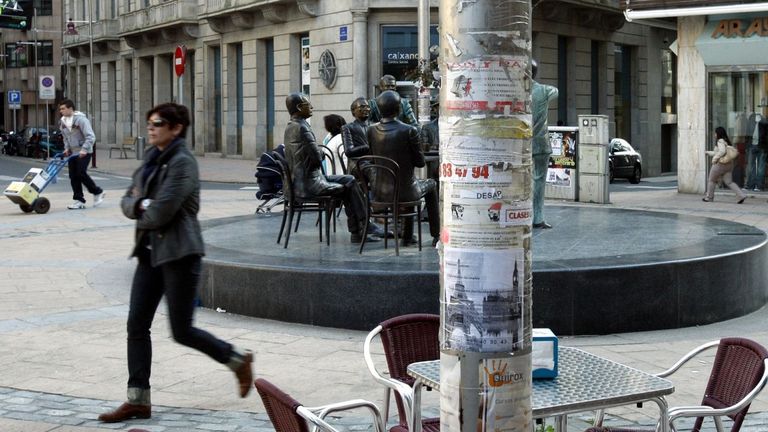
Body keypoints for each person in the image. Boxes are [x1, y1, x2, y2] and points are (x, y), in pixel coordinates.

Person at [103, 103, 254, 424]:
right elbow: (126, 201)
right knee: (136, 325)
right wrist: (141, 202)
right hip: (148, 255)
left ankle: (237, 359)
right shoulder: (150, 159)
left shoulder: (183, 163)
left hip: (180, 255)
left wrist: (142, 203)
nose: (151, 128)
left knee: (182, 330)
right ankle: (138, 400)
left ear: (176, 128)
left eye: (158, 123)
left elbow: (161, 212)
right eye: (149, 122)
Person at [283, 92, 379, 243]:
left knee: (350, 180)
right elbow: (316, 159)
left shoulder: (290, 127)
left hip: (299, 182)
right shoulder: (303, 128)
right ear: (299, 108)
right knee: (349, 185)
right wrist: (319, 153)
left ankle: (361, 228)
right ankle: (362, 227)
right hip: (310, 184)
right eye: (308, 105)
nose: (312, 107)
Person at [367, 90, 440, 247]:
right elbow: (420, 163)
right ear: (399, 108)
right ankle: (436, 234)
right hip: (406, 191)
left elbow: (372, 159)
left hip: (379, 192)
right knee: (431, 184)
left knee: (408, 182)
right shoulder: (409, 130)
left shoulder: (371, 130)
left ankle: (408, 235)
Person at [59, 99, 105, 209]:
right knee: (73, 176)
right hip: (72, 153)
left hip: (84, 151)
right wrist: (66, 148)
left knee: (81, 173)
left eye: (63, 108)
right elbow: (65, 137)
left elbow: (90, 136)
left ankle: (97, 192)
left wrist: (84, 149)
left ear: (70, 108)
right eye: (60, 109)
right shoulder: (63, 121)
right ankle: (79, 200)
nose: (61, 111)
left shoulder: (81, 120)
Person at [530, 60, 559, 229]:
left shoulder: (517, 92)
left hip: (521, 144)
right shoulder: (544, 90)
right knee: (539, 180)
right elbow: (556, 91)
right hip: (540, 142)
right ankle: (538, 217)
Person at [703, 126, 747, 204]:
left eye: (715, 133)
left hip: (720, 164)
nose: (714, 134)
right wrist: (708, 153)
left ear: (718, 133)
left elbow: (722, 152)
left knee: (711, 180)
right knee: (729, 182)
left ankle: (709, 197)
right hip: (729, 165)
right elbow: (719, 152)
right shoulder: (726, 141)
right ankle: (741, 195)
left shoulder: (720, 141)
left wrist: (714, 159)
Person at [341, 97, 372, 177]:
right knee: (374, 170)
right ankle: (377, 190)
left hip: (373, 161)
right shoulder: (347, 127)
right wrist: (367, 147)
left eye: (368, 106)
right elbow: (349, 151)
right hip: (357, 163)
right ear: (353, 111)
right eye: (362, 106)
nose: (366, 109)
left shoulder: (374, 126)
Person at [745, 113, 768, 191]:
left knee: (761, 168)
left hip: (762, 147)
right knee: (751, 167)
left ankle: (759, 186)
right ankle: (750, 185)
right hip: (752, 146)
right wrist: (747, 146)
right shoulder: (751, 122)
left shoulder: (764, 123)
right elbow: (747, 135)